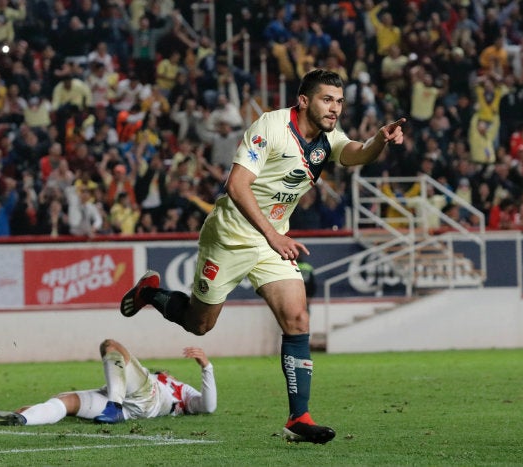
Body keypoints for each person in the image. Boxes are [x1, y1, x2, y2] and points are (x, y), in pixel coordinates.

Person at [120, 69, 405, 444]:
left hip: (273, 241)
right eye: (327, 100)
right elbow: (236, 184)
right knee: (200, 324)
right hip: (231, 237)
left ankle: (298, 417)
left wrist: (379, 141)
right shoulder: (270, 127)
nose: (335, 108)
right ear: (303, 100)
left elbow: (354, 153)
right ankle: (150, 295)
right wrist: (271, 234)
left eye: (339, 101)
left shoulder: (325, 138)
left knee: (297, 316)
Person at [0, 339, 216, 426]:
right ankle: (22, 418)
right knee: (64, 401)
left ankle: (114, 407)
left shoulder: (180, 391)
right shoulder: (148, 380)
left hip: (145, 399)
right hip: (128, 407)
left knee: (111, 346)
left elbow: (208, 406)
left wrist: (207, 367)